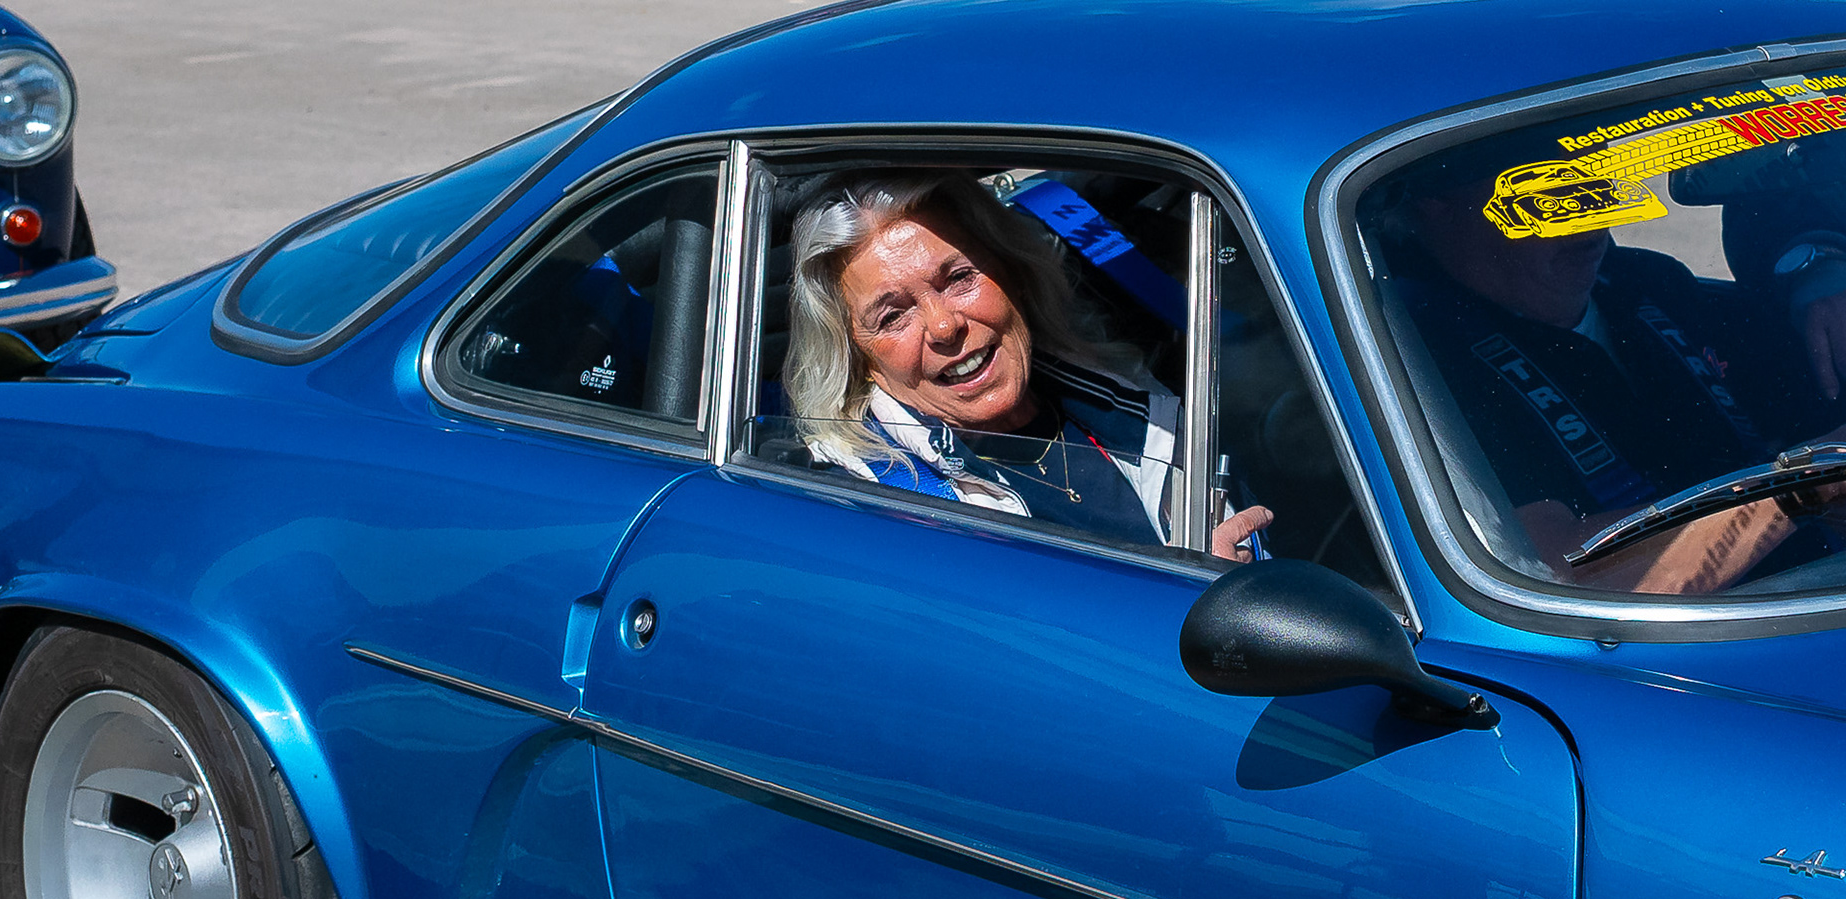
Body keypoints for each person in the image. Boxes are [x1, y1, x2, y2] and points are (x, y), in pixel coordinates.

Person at [1388, 174, 1846, 594]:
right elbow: (1557, 578)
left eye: (1597, 169)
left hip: (1806, 597)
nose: (1590, 208)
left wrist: (1818, 278)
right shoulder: (1406, 356)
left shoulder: (1648, 282)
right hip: (1669, 646)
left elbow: (1805, 418)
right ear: (1435, 197)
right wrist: (1806, 486)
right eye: (1546, 188)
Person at [781, 171, 1273, 561]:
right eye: (893, 316)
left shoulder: (1115, 386)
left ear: (1012, 271)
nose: (944, 326)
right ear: (859, 358)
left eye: (959, 278)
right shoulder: (866, 508)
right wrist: (1193, 599)